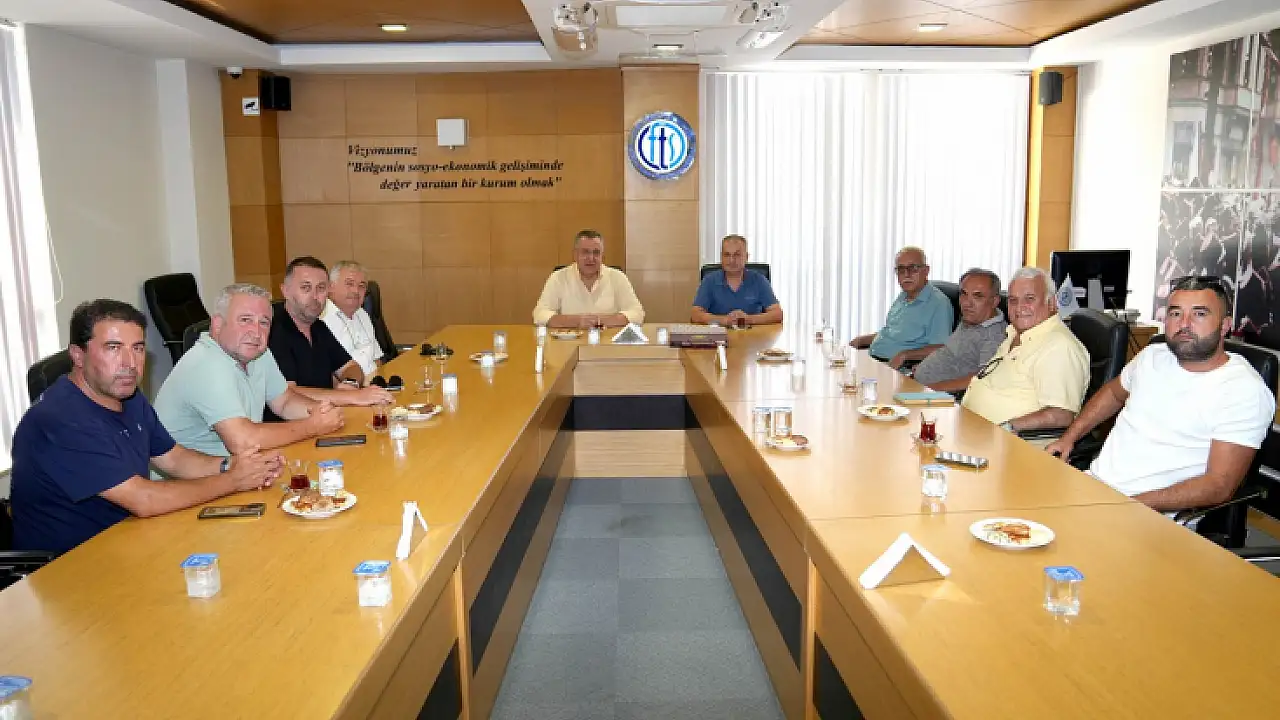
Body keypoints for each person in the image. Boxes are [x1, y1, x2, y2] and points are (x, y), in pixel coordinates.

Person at [9, 300, 282, 555]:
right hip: (73, 563)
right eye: (113, 348)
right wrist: (234, 480)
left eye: (137, 348)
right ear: (78, 356)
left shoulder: (126, 395)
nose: (130, 363)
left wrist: (233, 465)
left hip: (129, 537)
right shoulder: (61, 419)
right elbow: (144, 499)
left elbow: (174, 459)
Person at [1047, 277, 1275, 511]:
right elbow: (1114, 394)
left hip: (1149, 514)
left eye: (1199, 314)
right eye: (1175, 313)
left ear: (1225, 325)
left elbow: (1219, 485)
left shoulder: (1243, 389)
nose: (1184, 324)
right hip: (1094, 490)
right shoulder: (1153, 355)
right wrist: (1069, 438)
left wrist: (1129, 505)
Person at [154, 283, 346, 457]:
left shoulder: (258, 353)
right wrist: (312, 426)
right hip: (195, 480)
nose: (256, 332)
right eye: (245, 320)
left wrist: (319, 411)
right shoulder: (206, 364)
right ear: (218, 324)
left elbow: (284, 402)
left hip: (241, 467)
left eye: (264, 323)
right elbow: (242, 441)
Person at [961, 267, 1090, 432]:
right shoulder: (1015, 333)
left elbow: (1060, 415)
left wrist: (1005, 429)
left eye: (1029, 299)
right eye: (1013, 300)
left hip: (1008, 441)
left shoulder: (1059, 346)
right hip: (972, 428)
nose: (1019, 308)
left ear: (1051, 303)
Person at [269, 256, 392, 409]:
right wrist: (350, 396)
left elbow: (351, 367)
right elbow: (288, 393)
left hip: (328, 415)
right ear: (285, 291)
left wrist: (350, 383)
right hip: (291, 422)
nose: (315, 296)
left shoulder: (318, 326)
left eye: (321, 288)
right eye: (306, 288)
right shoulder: (272, 329)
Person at [898, 269, 1008, 393]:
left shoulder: (994, 336)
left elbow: (982, 378)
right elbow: (952, 350)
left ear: (994, 301)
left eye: (978, 296)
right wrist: (924, 366)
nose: (966, 303)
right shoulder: (973, 318)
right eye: (963, 293)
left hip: (938, 396)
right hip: (915, 382)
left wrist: (930, 389)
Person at [850, 247, 953, 361]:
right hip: (873, 358)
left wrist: (905, 355)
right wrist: (860, 340)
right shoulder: (903, 296)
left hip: (899, 367)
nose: (906, 274)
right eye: (901, 269)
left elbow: (941, 348)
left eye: (913, 268)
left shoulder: (938, 304)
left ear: (926, 270)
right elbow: (894, 334)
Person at [533, 229, 644, 328]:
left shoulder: (617, 277)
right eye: (585, 252)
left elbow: (638, 313)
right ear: (575, 255)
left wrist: (601, 321)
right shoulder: (558, 278)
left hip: (607, 341)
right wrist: (576, 321)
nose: (591, 258)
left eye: (596, 253)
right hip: (569, 341)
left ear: (602, 256)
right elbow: (540, 315)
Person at [691, 234, 783, 326]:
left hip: (752, 333)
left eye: (737, 255)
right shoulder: (709, 281)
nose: (731, 260)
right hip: (719, 333)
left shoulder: (759, 280)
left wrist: (748, 319)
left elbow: (777, 314)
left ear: (746, 257)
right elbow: (695, 314)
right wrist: (724, 320)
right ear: (721, 257)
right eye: (727, 255)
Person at [322, 260, 384, 377]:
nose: (356, 291)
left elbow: (377, 359)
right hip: (348, 385)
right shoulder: (321, 319)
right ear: (331, 287)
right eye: (349, 284)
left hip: (373, 382)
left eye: (361, 286)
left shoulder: (363, 314)